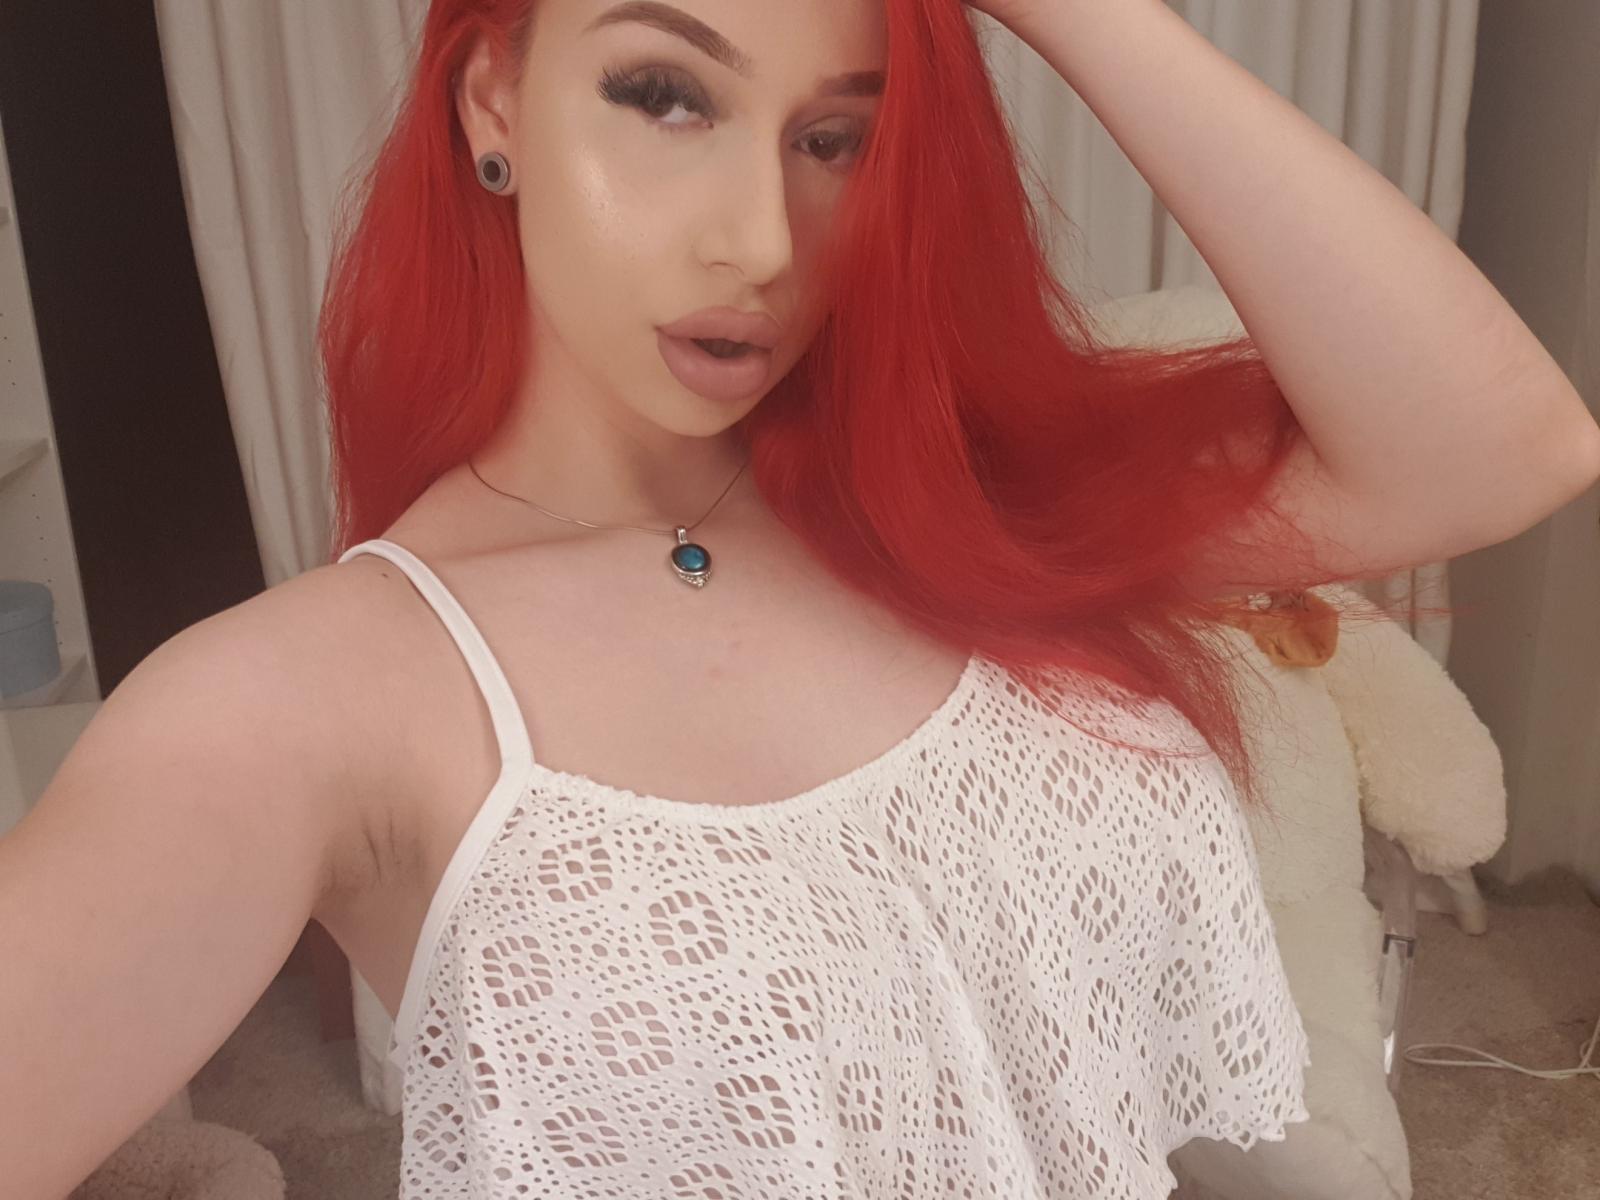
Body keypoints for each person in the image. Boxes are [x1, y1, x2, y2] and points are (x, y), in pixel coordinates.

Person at [5, 0, 1597, 1196]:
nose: (762, 240)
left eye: (837, 139)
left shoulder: (956, 500)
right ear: (493, 99)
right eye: (664, 95)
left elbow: (1505, 450)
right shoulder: (315, 696)